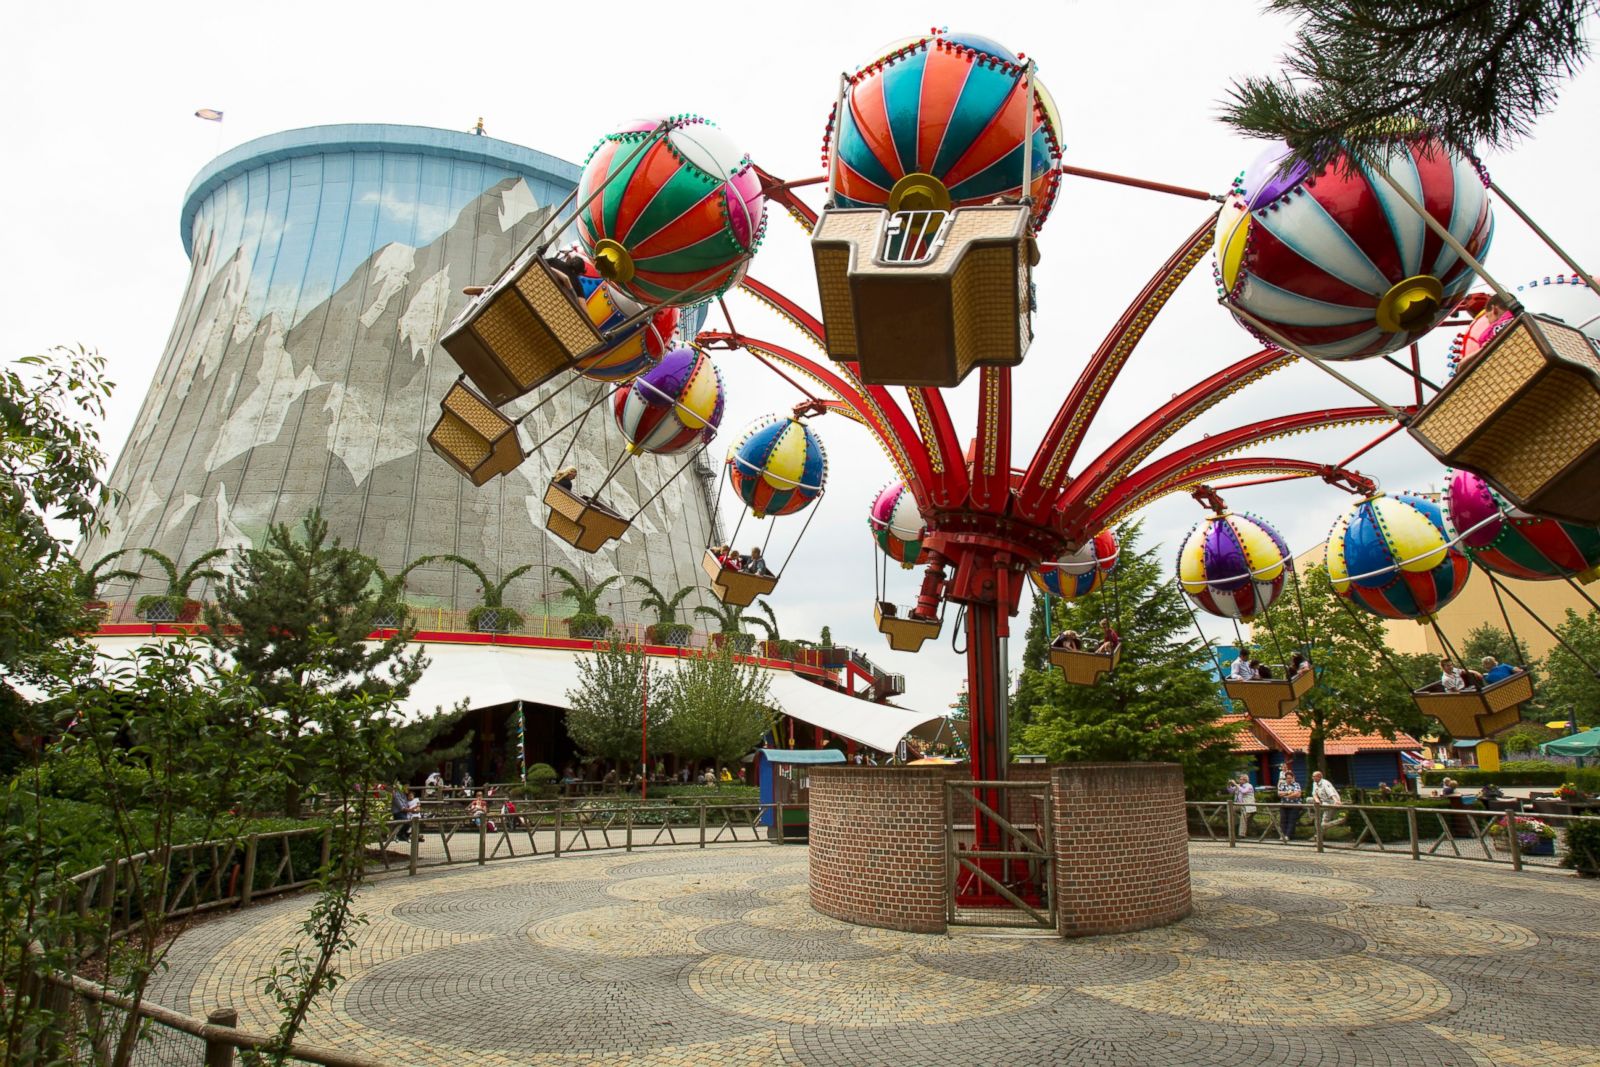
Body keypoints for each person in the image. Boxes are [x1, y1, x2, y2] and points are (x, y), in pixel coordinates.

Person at [1277, 764, 1304, 841]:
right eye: (1287, 778)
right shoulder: (1282, 784)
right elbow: (1279, 794)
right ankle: (1282, 835)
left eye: (1290, 778)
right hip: (1284, 804)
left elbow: (1298, 794)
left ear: (1293, 778)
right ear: (1285, 778)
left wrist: (1286, 795)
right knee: (1283, 820)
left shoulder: (1296, 784)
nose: (1289, 779)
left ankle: (1288, 835)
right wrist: (1289, 793)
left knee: (1291, 820)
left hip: (1294, 804)